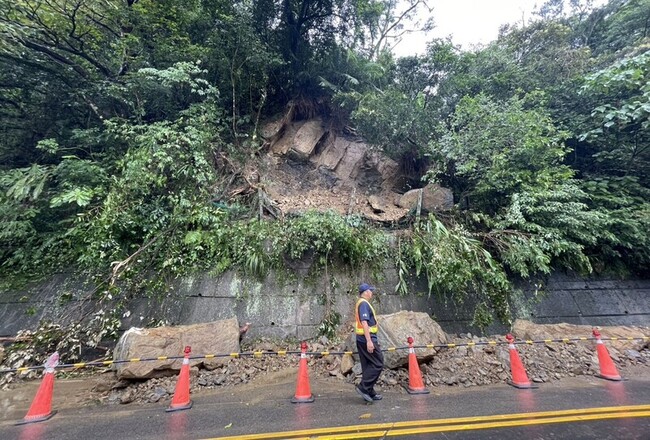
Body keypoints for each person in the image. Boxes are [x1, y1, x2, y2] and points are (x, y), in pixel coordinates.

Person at [354, 282, 384, 402]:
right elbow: (365, 322)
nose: (371, 292)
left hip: (361, 339)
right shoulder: (364, 304)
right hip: (366, 339)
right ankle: (364, 387)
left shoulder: (362, 303)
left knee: (368, 365)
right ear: (365, 292)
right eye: (370, 290)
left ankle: (370, 391)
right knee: (378, 363)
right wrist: (369, 341)